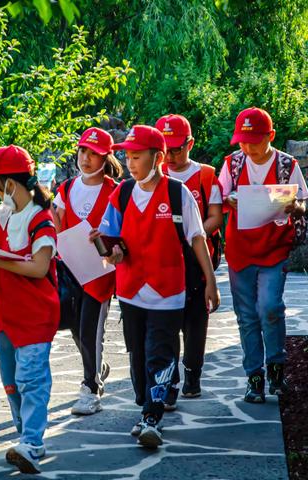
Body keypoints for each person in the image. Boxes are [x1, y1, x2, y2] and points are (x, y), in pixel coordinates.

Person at [91, 125, 220, 448]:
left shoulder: (178, 194)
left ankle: (152, 417)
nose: (130, 164)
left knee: (159, 355)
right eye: (127, 157)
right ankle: (146, 404)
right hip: (132, 290)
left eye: (137, 156)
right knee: (137, 355)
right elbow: (111, 243)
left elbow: (197, 239)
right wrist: (108, 250)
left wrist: (210, 283)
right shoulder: (121, 194)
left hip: (169, 291)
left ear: (157, 157)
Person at [0, 145, 59, 474]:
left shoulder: (41, 219)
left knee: (31, 380)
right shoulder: (4, 218)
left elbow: (39, 267)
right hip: (6, 315)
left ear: (9, 184)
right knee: (12, 383)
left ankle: (32, 442)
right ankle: (26, 439)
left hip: (35, 316)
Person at [218, 107, 308, 403]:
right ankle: (254, 377)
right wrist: (230, 199)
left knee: (270, 307)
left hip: (274, 249)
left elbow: (304, 202)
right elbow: (220, 197)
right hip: (240, 250)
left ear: (270, 136)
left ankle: (277, 369)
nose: (247, 147)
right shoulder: (232, 164)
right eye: (242, 141)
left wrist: (294, 205)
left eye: (254, 141)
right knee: (246, 316)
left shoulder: (286, 164)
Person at [52, 127, 123, 415]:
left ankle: (90, 387)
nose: (86, 158)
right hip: (71, 270)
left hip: (100, 272)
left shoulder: (115, 191)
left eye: (94, 154)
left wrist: (110, 245)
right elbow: (55, 220)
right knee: (76, 329)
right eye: (83, 151)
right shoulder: (67, 188)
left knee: (92, 328)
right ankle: (97, 366)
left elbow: (121, 234)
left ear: (106, 158)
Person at [155, 114, 223, 401]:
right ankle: (167, 379)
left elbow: (216, 218)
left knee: (195, 320)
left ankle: (192, 372)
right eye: (164, 150)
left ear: (190, 144)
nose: (170, 156)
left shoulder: (206, 175)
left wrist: (190, 235)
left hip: (197, 259)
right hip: (163, 258)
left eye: (177, 149)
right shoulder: (153, 176)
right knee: (166, 321)